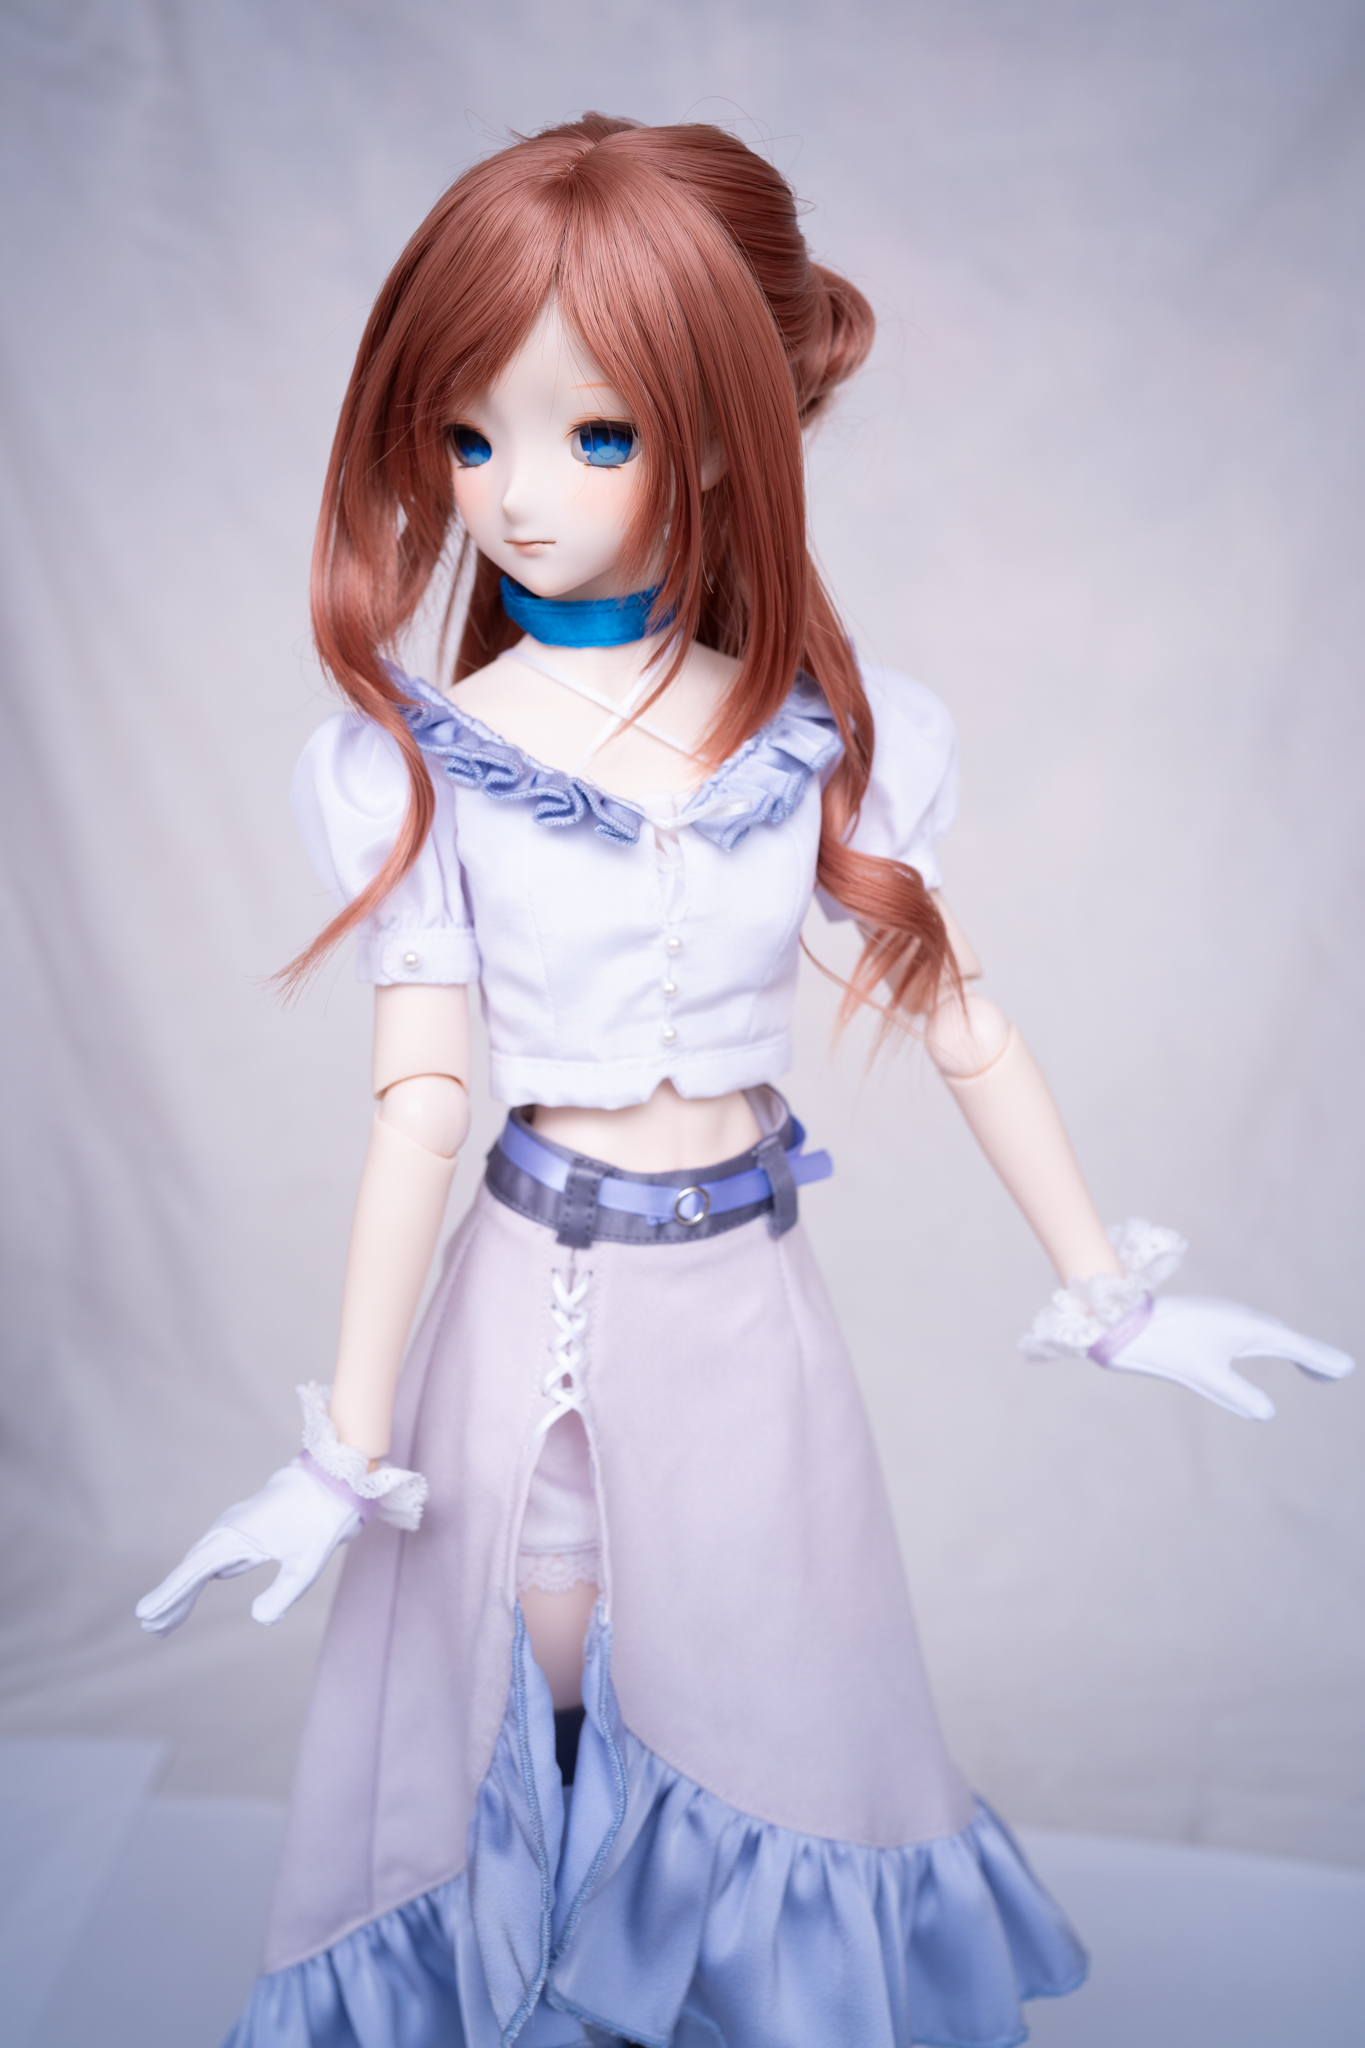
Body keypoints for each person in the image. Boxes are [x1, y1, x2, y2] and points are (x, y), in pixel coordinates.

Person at [136, 115, 1353, 2048]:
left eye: (592, 433)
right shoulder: (414, 762)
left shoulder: (832, 740)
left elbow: (960, 1016)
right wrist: (337, 1455)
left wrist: (1107, 1291)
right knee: (524, 1693)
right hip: (520, 1307)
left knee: (771, 1699)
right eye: (468, 436)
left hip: (741, 1310)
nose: (517, 496)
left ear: (716, 436)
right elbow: (420, 1108)